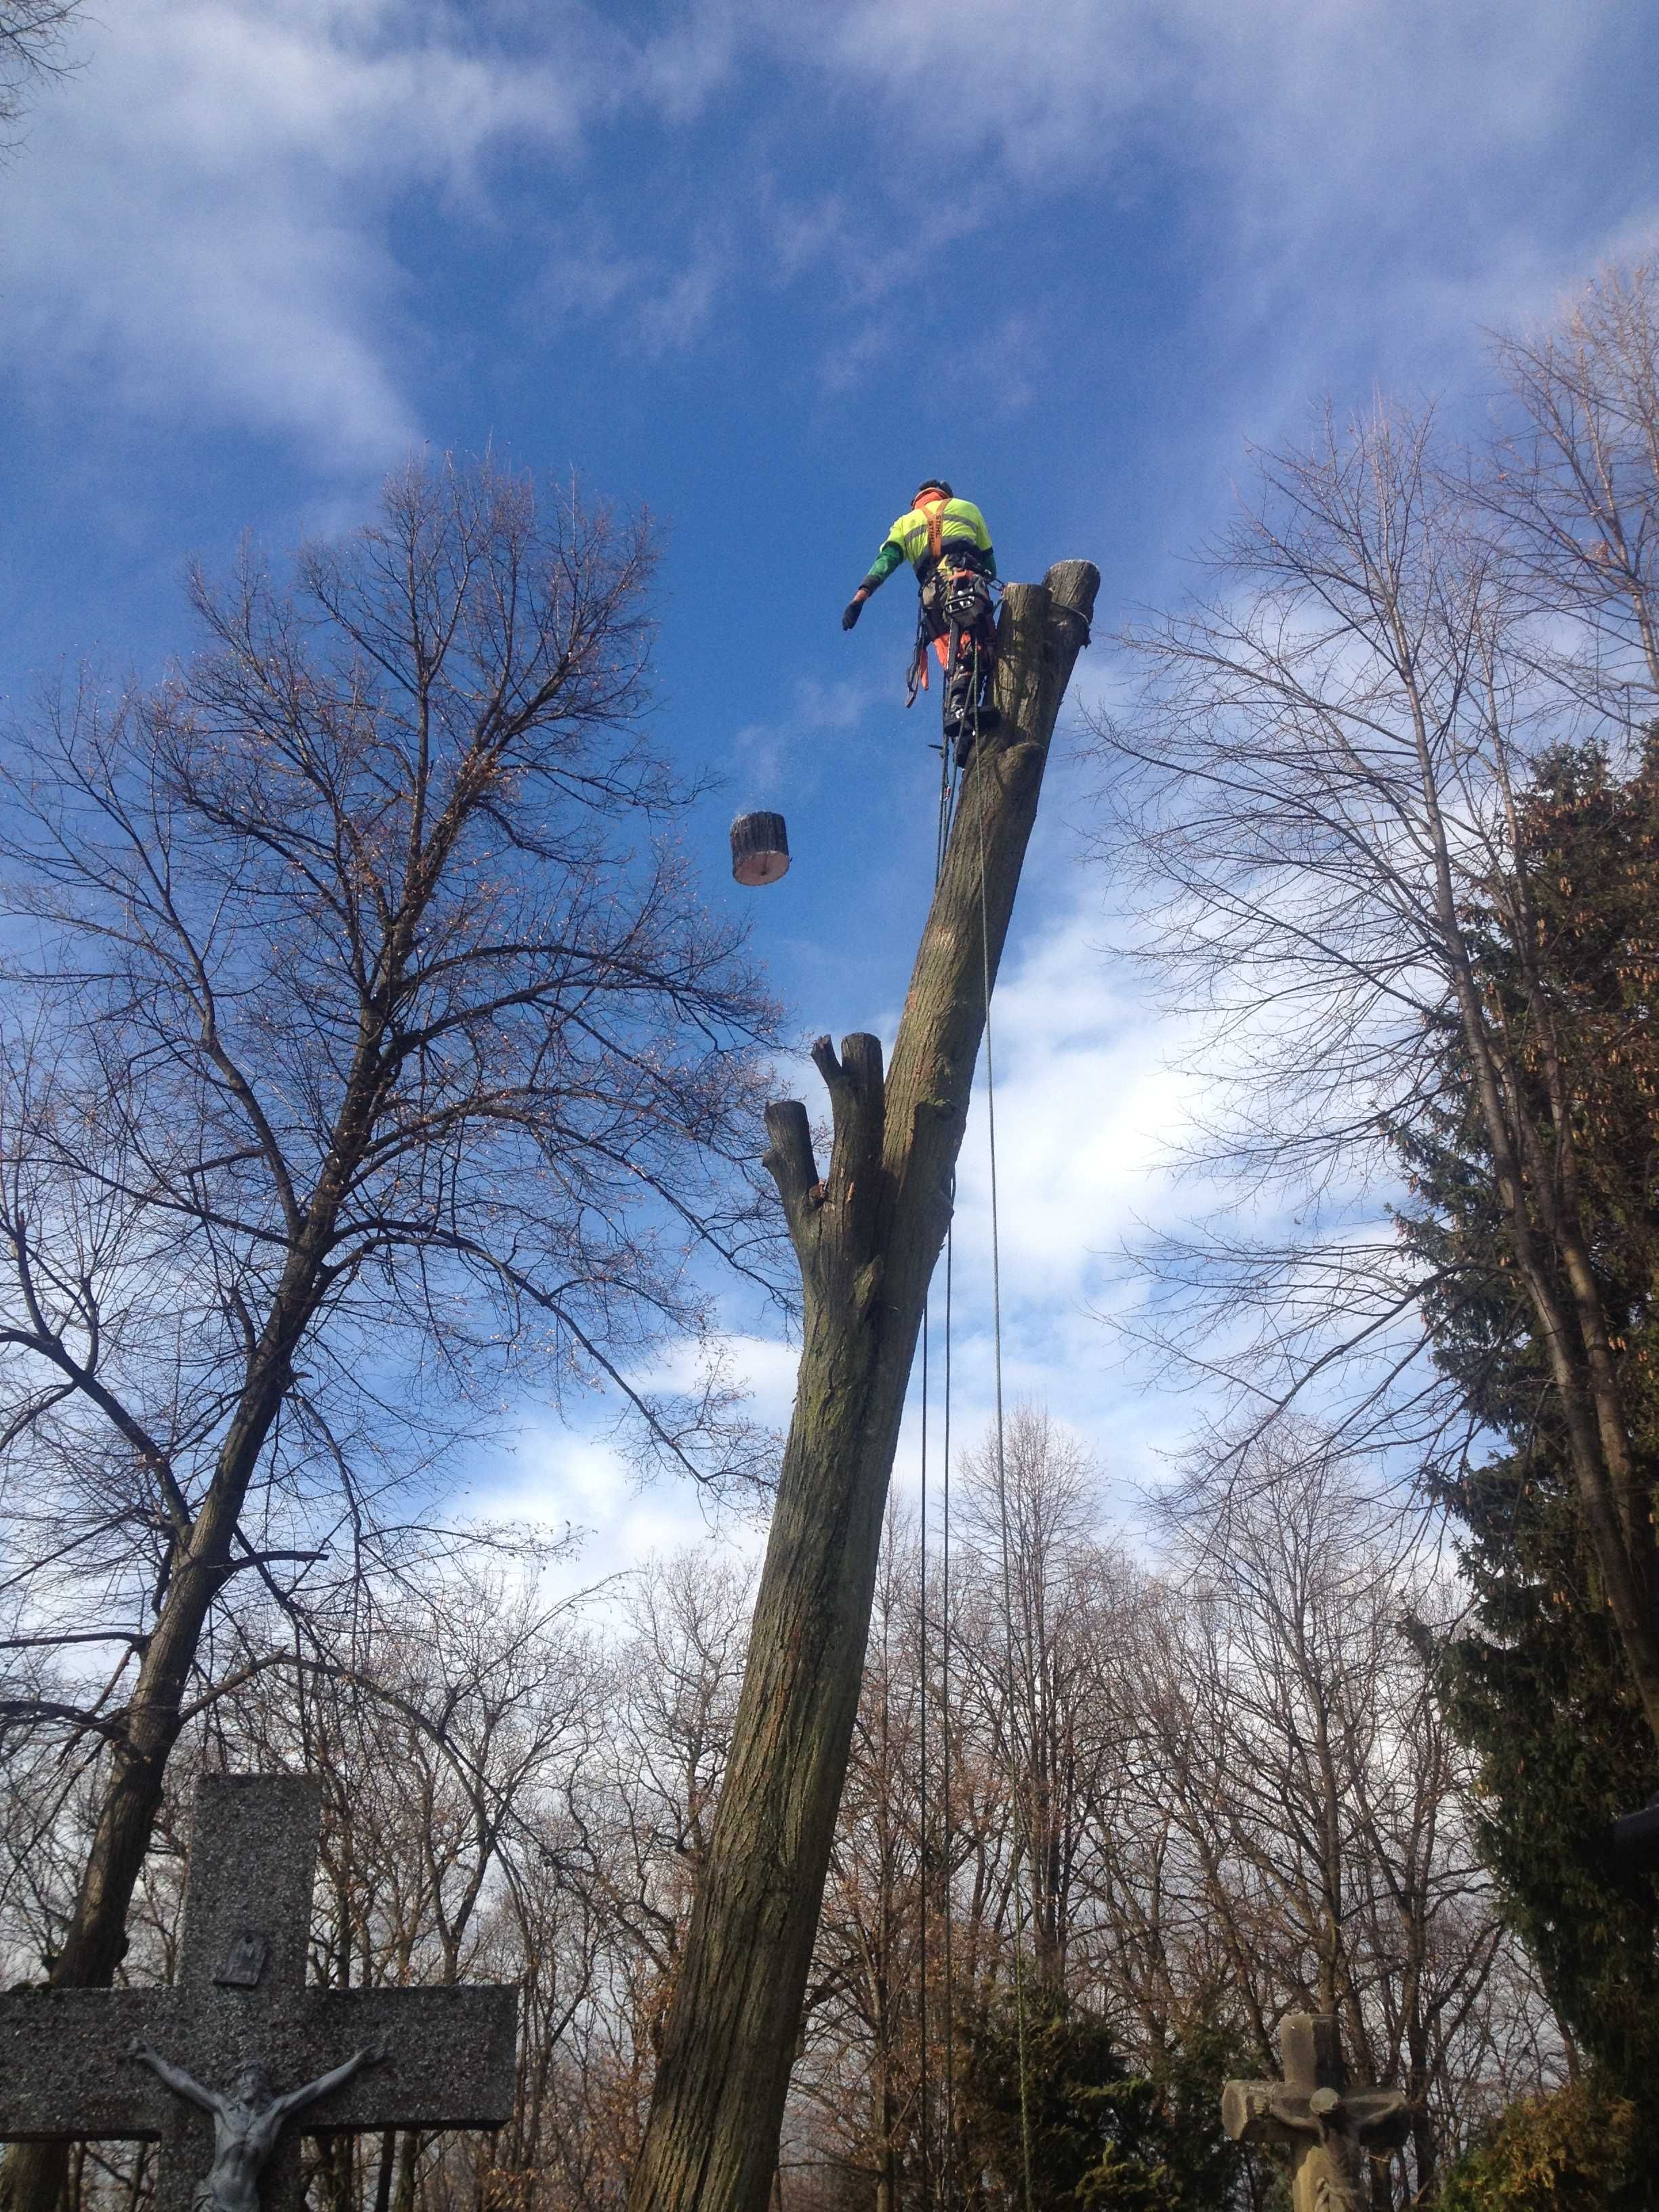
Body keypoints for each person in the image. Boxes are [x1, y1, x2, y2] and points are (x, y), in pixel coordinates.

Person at [127, 2039, 386, 2212]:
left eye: (253, 2081)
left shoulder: (275, 2113)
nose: (247, 2085)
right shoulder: (222, 2108)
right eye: (243, 2081)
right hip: (212, 2201)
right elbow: (184, 2083)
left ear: (262, 2086)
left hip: (247, 2205)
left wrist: (355, 2064)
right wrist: (151, 2057)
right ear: (236, 2086)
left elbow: (317, 2088)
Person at [842, 480, 998, 753]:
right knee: (979, 650)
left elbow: (886, 561)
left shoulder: (904, 522)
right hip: (963, 584)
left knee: (952, 656)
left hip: (932, 597)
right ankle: (962, 713)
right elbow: (990, 566)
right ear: (946, 495)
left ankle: (963, 738)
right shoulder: (968, 508)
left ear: (917, 500)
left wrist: (860, 598)